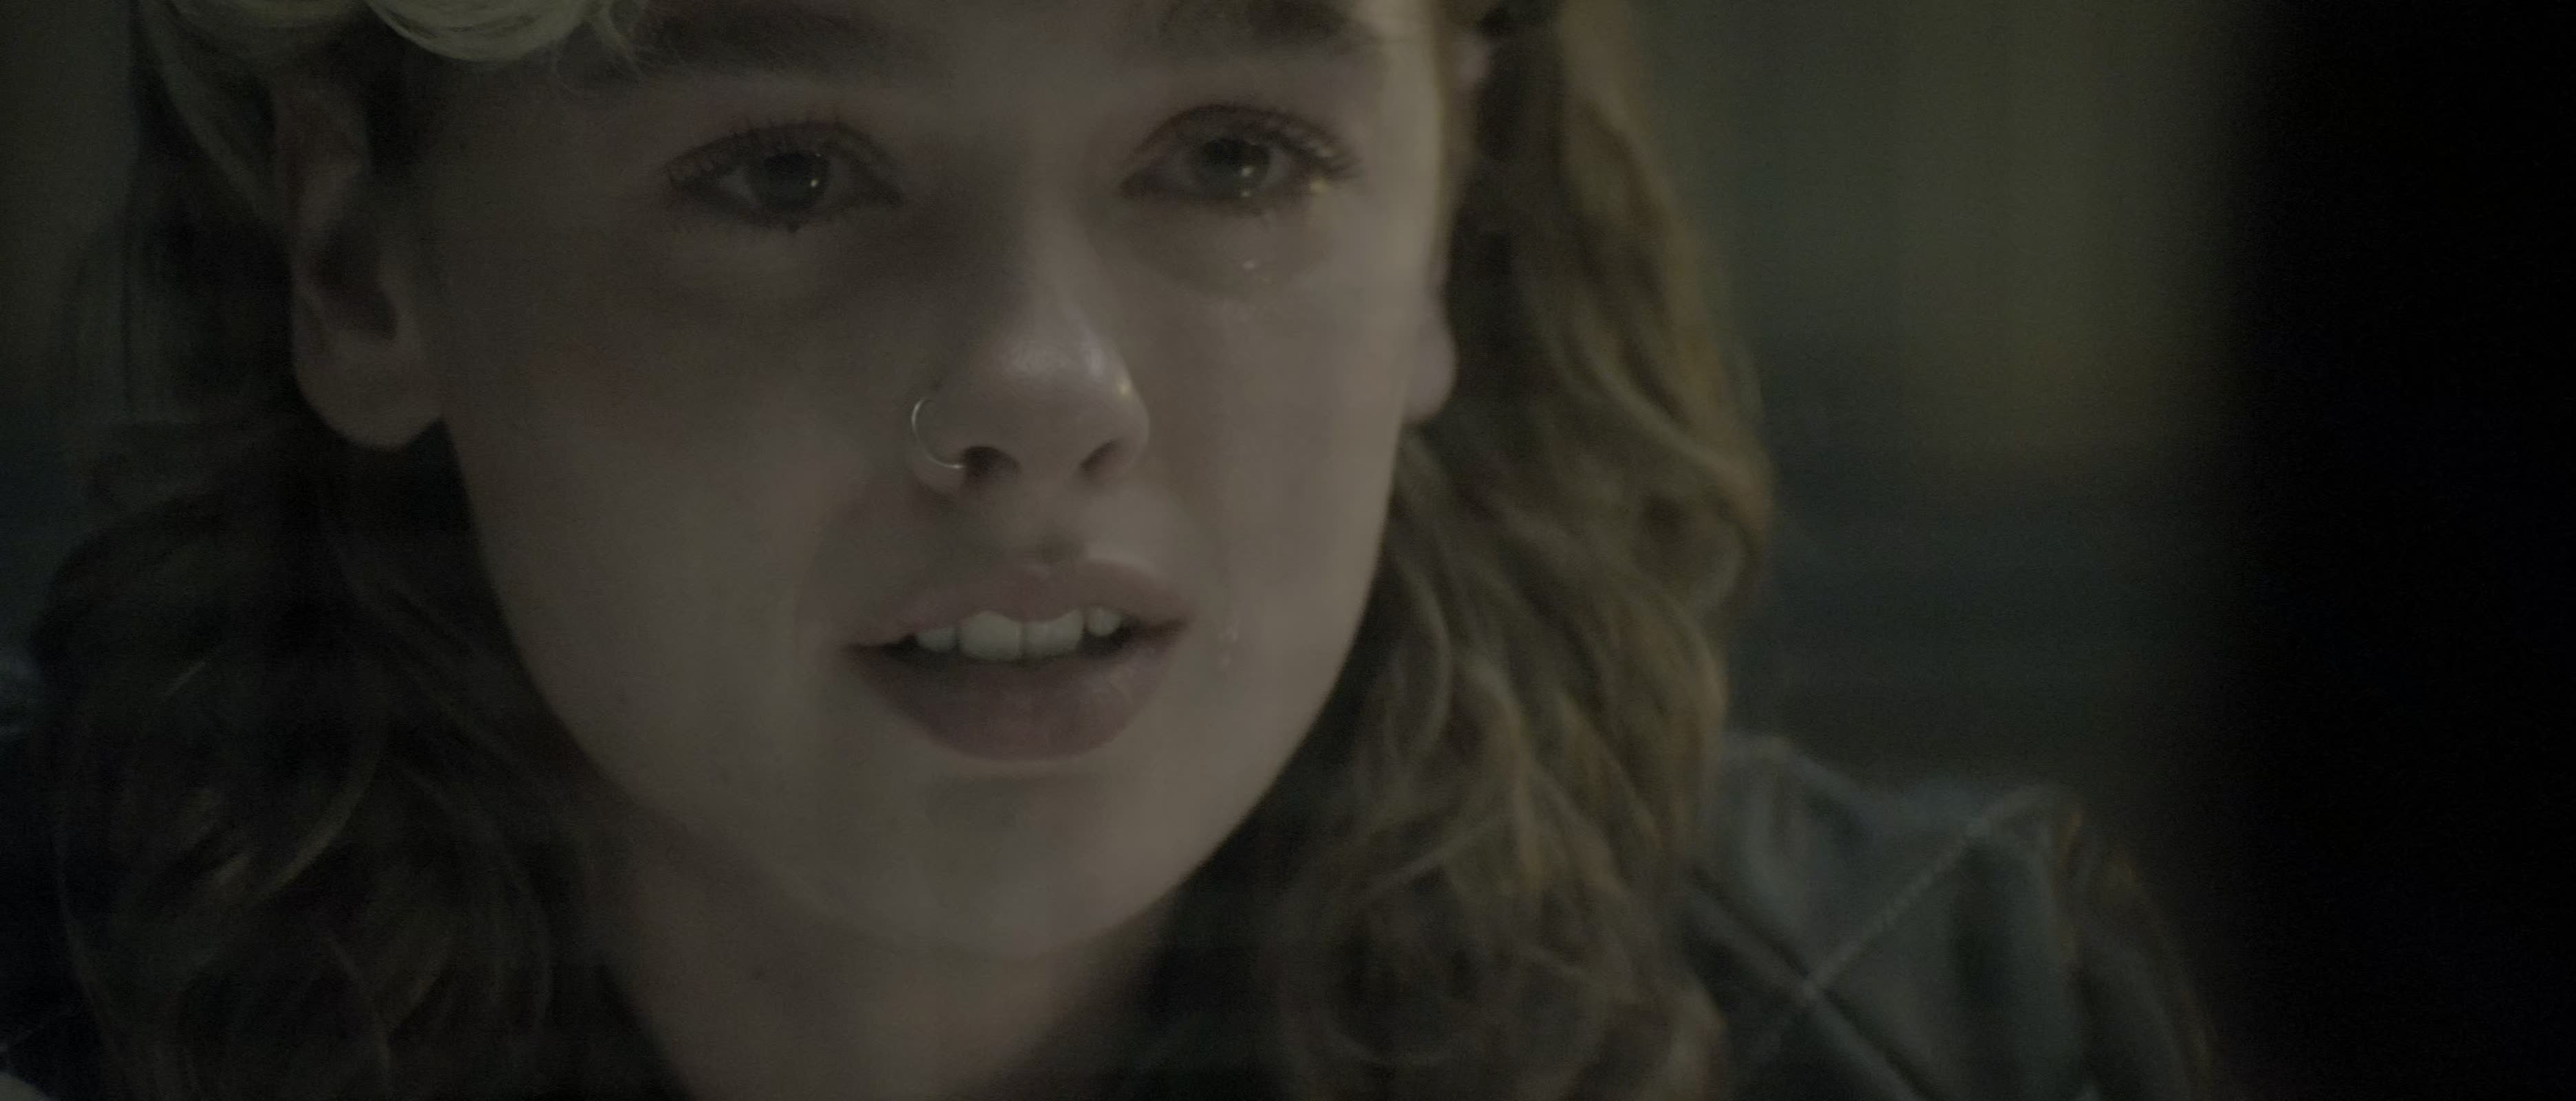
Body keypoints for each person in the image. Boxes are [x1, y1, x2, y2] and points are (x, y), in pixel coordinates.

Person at [0, 0, 2219, 1098]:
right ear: (363, 257)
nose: (1043, 387)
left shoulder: (1961, 1041)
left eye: (1235, 157)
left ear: (1453, 204)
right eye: (785, 175)